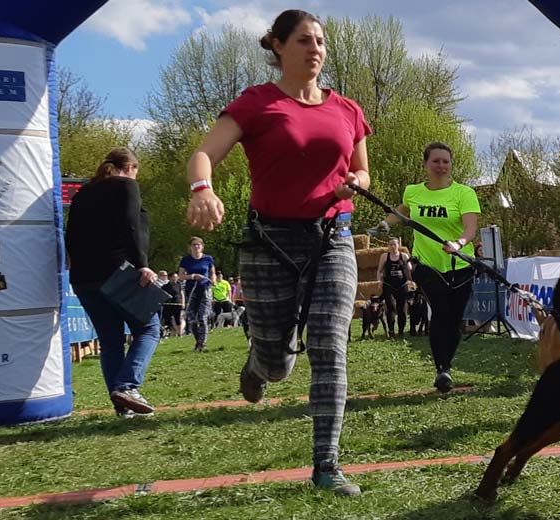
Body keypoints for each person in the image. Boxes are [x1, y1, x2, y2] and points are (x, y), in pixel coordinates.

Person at [184, 9, 370, 496]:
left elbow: (362, 172)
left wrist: (355, 183)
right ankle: (257, 364)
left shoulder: (347, 109)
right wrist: (202, 189)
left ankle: (327, 465)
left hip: (333, 238)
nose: (316, 50)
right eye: (305, 41)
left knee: (330, 344)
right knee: (278, 360)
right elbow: (204, 154)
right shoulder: (257, 103)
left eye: (322, 42)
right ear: (278, 47)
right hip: (269, 242)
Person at [64, 147, 164, 417]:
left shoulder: (83, 193)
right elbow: (132, 225)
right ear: (131, 168)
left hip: (84, 278)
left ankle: (122, 407)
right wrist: (142, 264)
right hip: (117, 272)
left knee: (110, 340)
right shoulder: (126, 187)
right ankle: (128, 386)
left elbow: (70, 234)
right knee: (149, 328)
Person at [387, 142, 480, 393]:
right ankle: (442, 369)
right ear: (426, 164)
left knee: (454, 318)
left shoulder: (464, 193)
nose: (441, 166)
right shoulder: (413, 192)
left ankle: (446, 364)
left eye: (445, 161)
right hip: (426, 265)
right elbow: (403, 210)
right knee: (439, 312)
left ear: (451, 165)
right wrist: (385, 225)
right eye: (436, 161)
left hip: (460, 264)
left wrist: (459, 243)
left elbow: (470, 228)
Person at [179, 237, 219, 351]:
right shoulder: (185, 260)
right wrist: (193, 276)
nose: (196, 247)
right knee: (192, 318)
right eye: (194, 245)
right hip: (191, 291)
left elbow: (212, 273)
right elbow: (181, 276)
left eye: (198, 245)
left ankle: (203, 343)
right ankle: (197, 341)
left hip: (205, 290)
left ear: (202, 246)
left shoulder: (208, 259)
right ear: (190, 247)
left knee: (202, 317)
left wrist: (213, 280)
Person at [376, 236, 412, 337]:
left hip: (402, 285)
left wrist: (411, 281)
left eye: (394, 244)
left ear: (398, 245)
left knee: (402, 309)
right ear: (388, 246)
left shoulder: (404, 256)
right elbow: (379, 270)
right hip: (389, 285)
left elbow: (409, 270)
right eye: (390, 244)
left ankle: (401, 331)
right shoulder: (384, 256)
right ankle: (391, 331)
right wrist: (379, 281)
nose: (392, 246)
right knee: (391, 307)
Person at [160, 272, 183, 337]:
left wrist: (183, 303)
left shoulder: (178, 285)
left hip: (177, 304)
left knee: (178, 319)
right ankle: (169, 332)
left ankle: (180, 333)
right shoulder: (165, 287)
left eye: (176, 277)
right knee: (167, 319)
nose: (175, 278)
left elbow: (181, 294)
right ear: (170, 278)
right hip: (167, 305)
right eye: (174, 277)